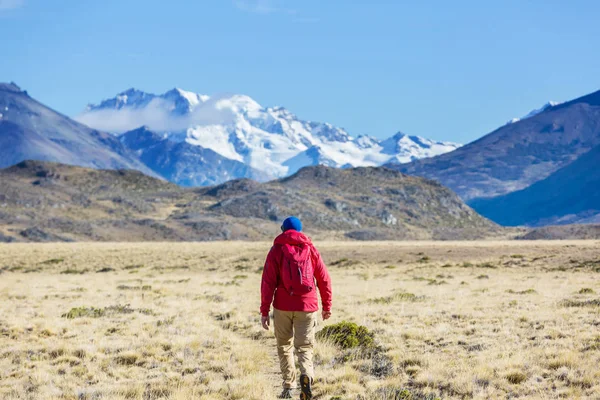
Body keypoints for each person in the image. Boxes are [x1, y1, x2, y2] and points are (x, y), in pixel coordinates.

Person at [260, 216, 333, 400]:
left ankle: (288, 385)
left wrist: (264, 310)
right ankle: (306, 376)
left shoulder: (277, 249)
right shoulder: (310, 249)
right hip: (307, 306)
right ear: (300, 230)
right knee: (305, 347)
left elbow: (268, 282)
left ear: (283, 229)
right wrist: (327, 305)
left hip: (283, 306)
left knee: (284, 345)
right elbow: (324, 279)